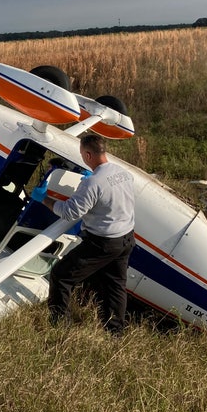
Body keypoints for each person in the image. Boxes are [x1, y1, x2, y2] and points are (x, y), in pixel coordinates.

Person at [34, 133, 135, 334]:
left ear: (88, 155)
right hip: (126, 238)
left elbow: (70, 212)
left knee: (61, 275)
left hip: (103, 243)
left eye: (82, 154)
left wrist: (44, 199)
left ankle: (60, 325)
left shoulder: (93, 183)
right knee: (115, 286)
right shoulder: (123, 172)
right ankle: (115, 332)